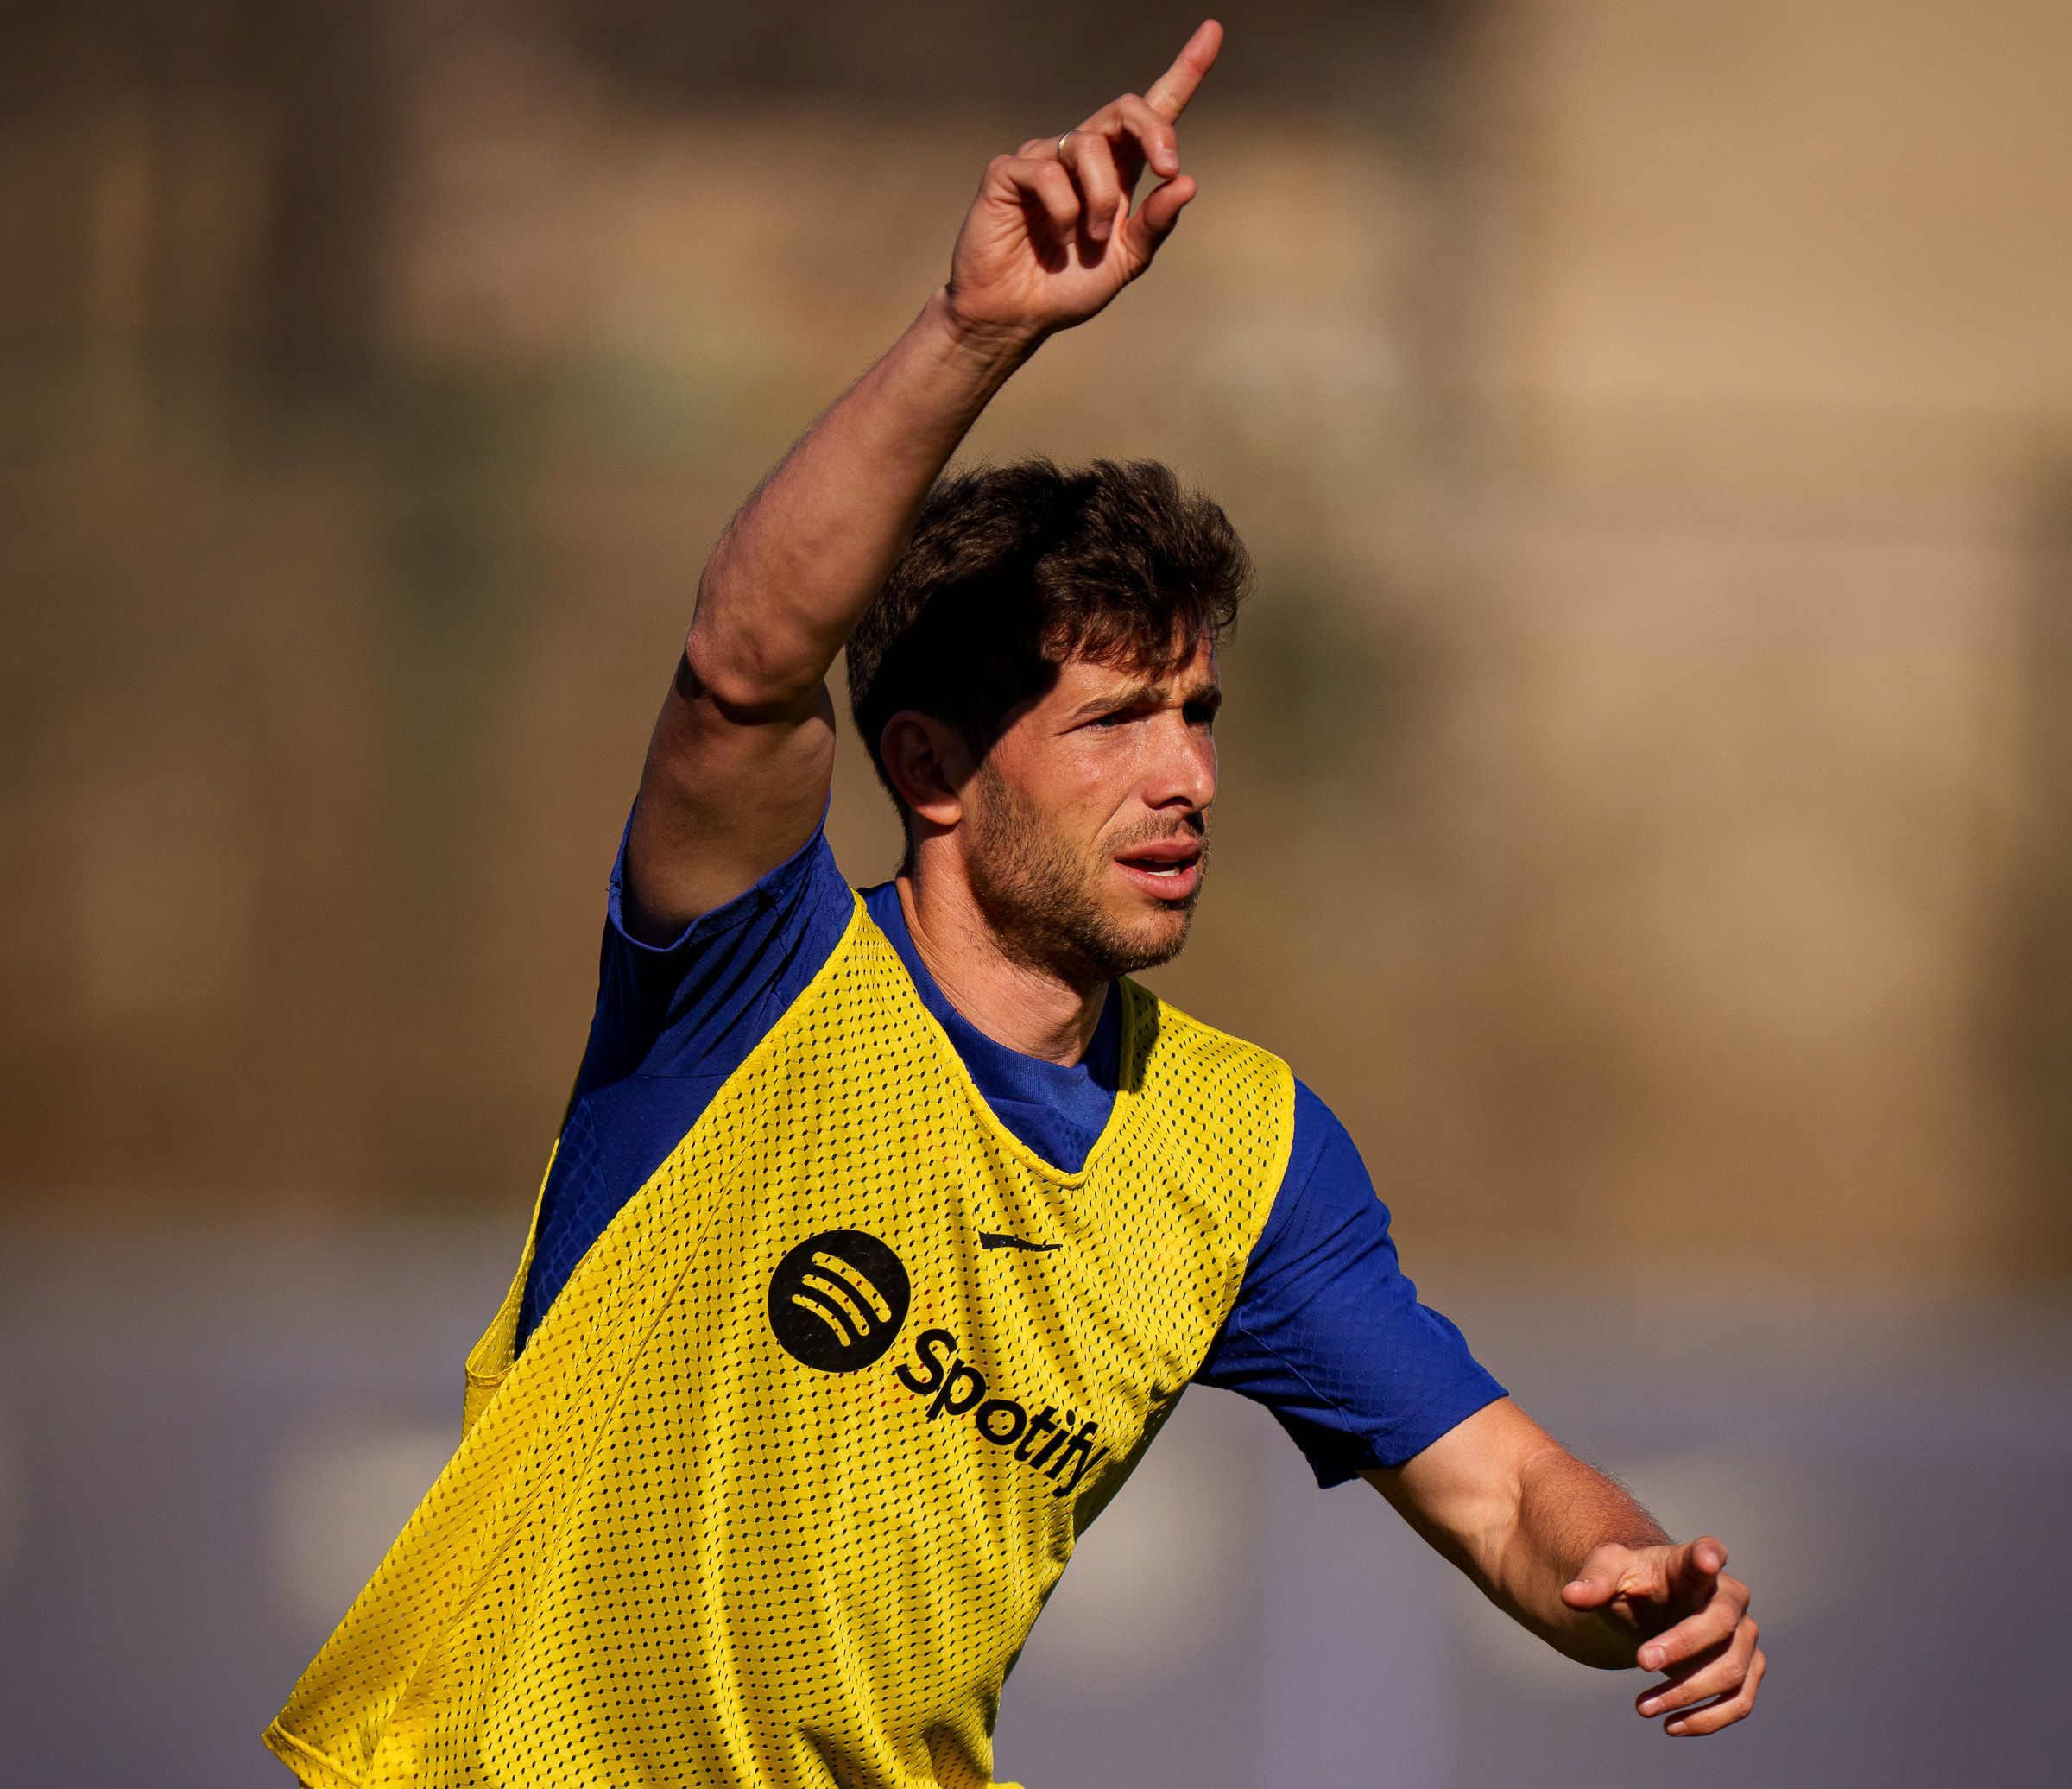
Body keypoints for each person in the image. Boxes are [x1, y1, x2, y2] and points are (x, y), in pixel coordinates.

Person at [266, 21, 1762, 1788]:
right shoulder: (750, 974)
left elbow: (1505, 1486)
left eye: (1198, 715)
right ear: (935, 767)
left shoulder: (1241, 1154)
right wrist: (977, 332)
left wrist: (1627, 1579)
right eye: (1119, 719)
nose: (1188, 775)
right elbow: (747, 665)